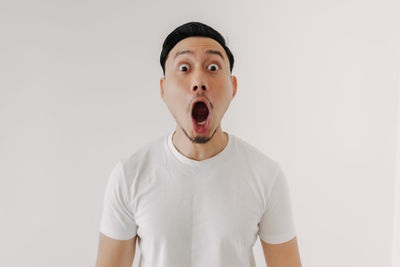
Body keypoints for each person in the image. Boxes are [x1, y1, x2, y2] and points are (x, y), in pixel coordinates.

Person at [95, 21, 302, 267]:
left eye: (213, 67)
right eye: (184, 68)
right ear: (163, 88)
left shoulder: (266, 176)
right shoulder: (129, 175)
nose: (199, 82)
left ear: (233, 87)